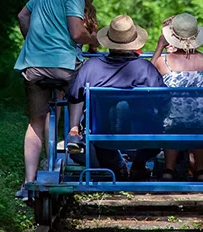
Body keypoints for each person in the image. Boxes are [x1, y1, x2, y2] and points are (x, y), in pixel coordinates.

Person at [14, 0, 103, 200]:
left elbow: (22, 16)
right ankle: (74, 131)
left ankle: (29, 183)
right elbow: (77, 33)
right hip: (62, 66)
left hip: (32, 66)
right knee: (86, 75)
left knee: (35, 123)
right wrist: (97, 40)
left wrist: (34, 43)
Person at [66, 15, 165, 181]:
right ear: (134, 42)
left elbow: (74, 95)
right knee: (157, 123)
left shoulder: (91, 67)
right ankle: (138, 165)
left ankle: (117, 166)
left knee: (100, 126)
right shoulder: (145, 68)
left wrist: (75, 126)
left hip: (102, 135)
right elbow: (164, 101)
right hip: (143, 134)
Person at [151, 13, 203, 182]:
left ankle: (169, 169)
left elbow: (148, 75)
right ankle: (200, 169)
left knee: (173, 115)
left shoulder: (163, 61)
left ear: (171, 38)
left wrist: (159, 47)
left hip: (172, 122)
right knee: (199, 112)